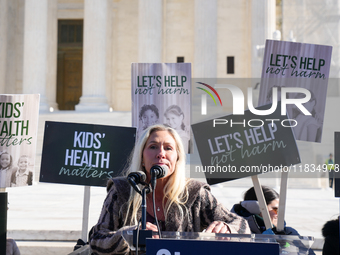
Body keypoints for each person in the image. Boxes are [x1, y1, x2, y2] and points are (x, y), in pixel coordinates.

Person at [89, 125, 250, 254]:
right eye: (153, 147)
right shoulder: (122, 189)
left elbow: (241, 225)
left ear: (177, 158)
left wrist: (229, 228)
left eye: (168, 148)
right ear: (142, 158)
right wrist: (127, 235)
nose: (161, 154)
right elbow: (97, 239)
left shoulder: (196, 192)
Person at [231, 186, 316, 254]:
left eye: (280, 210)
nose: (279, 214)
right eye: (275, 209)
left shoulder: (289, 233)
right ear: (256, 208)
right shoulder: (237, 234)